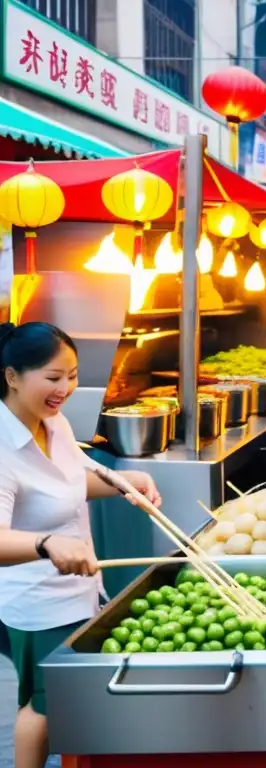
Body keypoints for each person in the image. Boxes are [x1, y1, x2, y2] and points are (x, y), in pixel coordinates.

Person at [0, 322, 161, 768]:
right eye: (53, 378)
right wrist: (45, 543)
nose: (65, 388)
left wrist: (125, 483)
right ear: (12, 376)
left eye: (72, 375)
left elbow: (71, 485)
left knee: (69, 707)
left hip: (80, 591)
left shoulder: (54, 421)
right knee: (45, 707)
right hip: (38, 601)